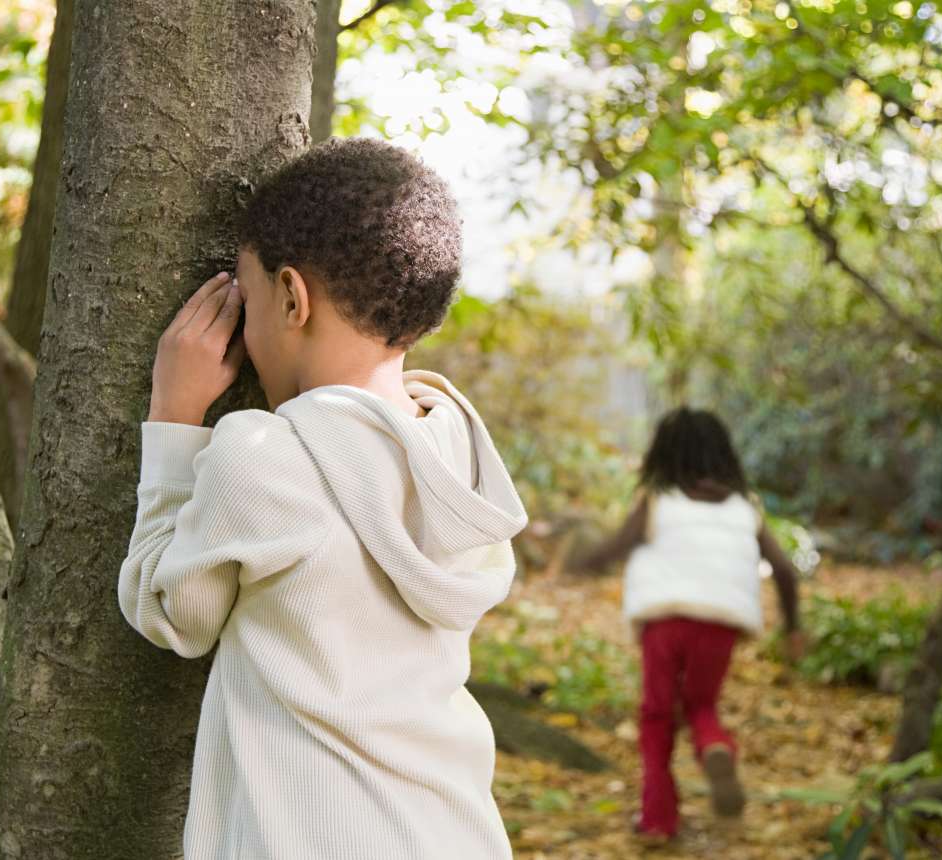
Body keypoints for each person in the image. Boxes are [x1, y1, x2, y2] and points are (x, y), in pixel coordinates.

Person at [117, 138, 528, 859]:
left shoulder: (266, 455)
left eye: (246, 302)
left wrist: (174, 421)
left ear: (290, 297)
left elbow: (173, 614)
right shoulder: (458, 449)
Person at [573, 406, 806, 843]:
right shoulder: (744, 508)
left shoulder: (658, 500)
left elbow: (616, 547)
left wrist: (578, 562)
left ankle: (658, 819)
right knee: (701, 706)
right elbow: (785, 571)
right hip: (720, 622)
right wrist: (793, 628)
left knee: (657, 714)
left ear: (663, 454)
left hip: (665, 618)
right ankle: (716, 747)